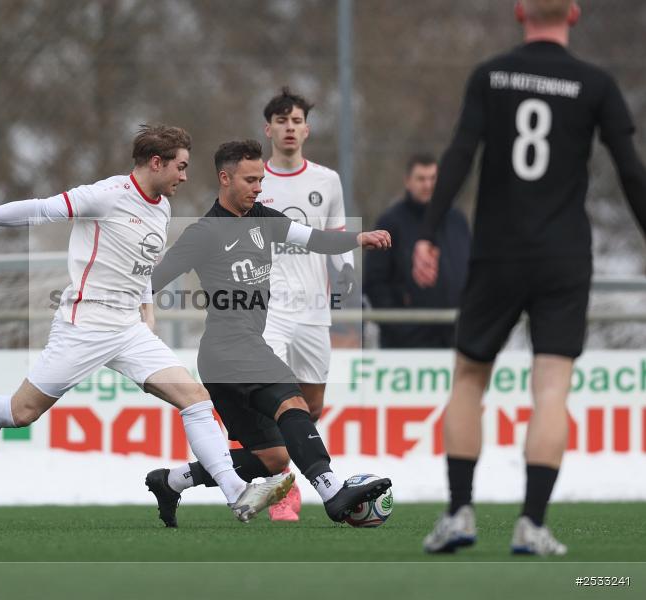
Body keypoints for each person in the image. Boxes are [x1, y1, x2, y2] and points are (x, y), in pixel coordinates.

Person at [0, 125, 295, 524]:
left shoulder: (161, 206)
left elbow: (140, 268)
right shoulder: (105, 196)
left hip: (128, 329)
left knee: (196, 400)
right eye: (180, 167)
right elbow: (39, 209)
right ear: (156, 162)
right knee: (21, 412)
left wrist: (147, 314)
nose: (184, 176)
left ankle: (237, 494)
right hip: (85, 323)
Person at [414, 0, 646, 556]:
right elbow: (630, 169)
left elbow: (460, 154)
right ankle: (532, 524)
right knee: (551, 388)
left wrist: (428, 231)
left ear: (520, 12)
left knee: (470, 378)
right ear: (574, 12)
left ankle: (459, 513)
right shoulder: (596, 83)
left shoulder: (491, 74)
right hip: (564, 256)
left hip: (497, 251)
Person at [145, 139, 393, 528]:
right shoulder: (204, 233)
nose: (259, 187)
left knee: (273, 459)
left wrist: (358, 239)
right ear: (224, 179)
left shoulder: (264, 219)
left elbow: (315, 239)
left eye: (261, 179)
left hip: (230, 357)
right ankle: (332, 492)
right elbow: (155, 279)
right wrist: (124, 307)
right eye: (250, 180)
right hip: (230, 349)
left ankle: (171, 481)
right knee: (292, 404)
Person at [255, 88, 358, 521]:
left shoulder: (326, 181)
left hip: (315, 310)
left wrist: (346, 266)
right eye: (282, 121)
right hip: (269, 309)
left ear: (307, 128)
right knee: (276, 397)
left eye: (296, 120)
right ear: (269, 129)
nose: (289, 128)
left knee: (311, 406)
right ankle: (284, 490)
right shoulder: (252, 179)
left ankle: (288, 474)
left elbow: (336, 233)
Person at [364, 154, 470, 349]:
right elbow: (375, 281)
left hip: (454, 338)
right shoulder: (390, 223)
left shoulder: (457, 220)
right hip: (406, 348)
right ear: (407, 181)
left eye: (433, 178)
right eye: (421, 179)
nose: (428, 185)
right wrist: (401, 328)